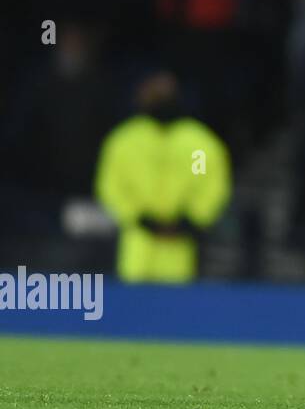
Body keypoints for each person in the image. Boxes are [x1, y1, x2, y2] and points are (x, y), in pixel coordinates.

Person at [95, 71, 231, 283]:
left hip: (181, 248)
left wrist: (190, 220)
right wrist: (139, 218)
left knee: (177, 310)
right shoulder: (125, 141)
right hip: (137, 245)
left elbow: (209, 184)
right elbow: (111, 186)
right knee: (134, 308)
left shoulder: (198, 145)